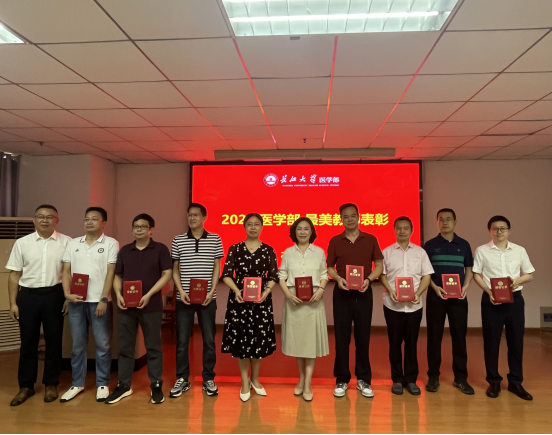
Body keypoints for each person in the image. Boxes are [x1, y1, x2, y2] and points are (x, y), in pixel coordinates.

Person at [6, 205, 72, 407]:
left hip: (55, 295)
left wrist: (68, 297)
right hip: (28, 296)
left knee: (54, 341)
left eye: (49, 217)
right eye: (40, 217)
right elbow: (14, 274)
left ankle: (51, 383)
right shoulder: (22, 243)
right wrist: (13, 303)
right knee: (28, 342)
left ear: (56, 220)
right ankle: (26, 386)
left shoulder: (67, 242)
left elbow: (71, 273)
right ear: (34, 220)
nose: (44, 220)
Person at [105, 214, 172, 405]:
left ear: (151, 230)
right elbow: (118, 275)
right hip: (126, 307)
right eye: (136, 226)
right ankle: (124, 386)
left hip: (151, 307)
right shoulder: (125, 250)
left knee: (153, 347)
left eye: (143, 226)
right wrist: (118, 295)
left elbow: (167, 274)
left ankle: (156, 385)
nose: (139, 229)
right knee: (126, 348)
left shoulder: (160, 249)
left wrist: (149, 294)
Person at [473, 216, 535, 401]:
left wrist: (517, 280)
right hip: (491, 300)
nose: (499, 232)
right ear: (490, 231)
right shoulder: (482, 250)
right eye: (495, 228)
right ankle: (493, 382)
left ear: (509, 230)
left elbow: (529, 274)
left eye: (503, 228)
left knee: (516, 342)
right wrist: (488, 291)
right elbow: (476, 274)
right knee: (491, 342)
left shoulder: (519, 250)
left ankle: (515, 382)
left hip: (514, 300)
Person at [61, 207, 119, 403]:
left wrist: (104, 298)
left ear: (103, 223)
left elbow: (111, 272)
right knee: (77, 346)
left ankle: (102, 383)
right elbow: (66, 271)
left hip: (98, 302)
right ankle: (77, 383)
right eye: (86, 219)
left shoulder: (111, 243)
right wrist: (67, 294)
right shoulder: (73, 243)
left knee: (103, 345)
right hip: (76, 302)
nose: (89, 222)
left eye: (94, 219)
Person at [327, 203, 384, 399]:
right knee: (341, 338)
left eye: (353, 216)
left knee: (363, 337)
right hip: (342, 293)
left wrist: (369, 279)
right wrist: (337, 279)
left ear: (359, 217)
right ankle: (342, 379)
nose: (350, 219)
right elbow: (330, 267)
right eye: (346, 216)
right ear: (341, 219)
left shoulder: (370, 239)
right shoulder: (335, 240)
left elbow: (379, 265)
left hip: (363, 292)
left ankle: (364, 379)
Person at [221, 213, 279, 402]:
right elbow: (226, 274)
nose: (253, 227)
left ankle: (255, 379)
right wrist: (236, 290)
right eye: (249, 224)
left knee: (258, 340)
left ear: (262, 227)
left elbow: (273, 275)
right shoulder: (235, 248)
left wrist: (266, 292)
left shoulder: (268, 250)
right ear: (244, 227)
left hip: (261, 302)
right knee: (241, 341)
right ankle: (244, 382)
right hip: (239, 301)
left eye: (256, 224)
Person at [170, 204, 224, 399]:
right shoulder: (178, 240)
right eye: (189, 215)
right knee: (182, 341)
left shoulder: (215, 239)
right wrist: (181, 291)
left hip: (208, 298)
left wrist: (212, 290)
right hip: (183, 298)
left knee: (209, 339)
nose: (192, 218)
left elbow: (217, 267)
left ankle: (208, 378)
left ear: (204, 217)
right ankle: (182, 378)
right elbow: (175, 269)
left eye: (196, 215)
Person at [380, 217, 434, 396]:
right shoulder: (386, 252)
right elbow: (382, 275)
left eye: (406, 228)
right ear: (394, 230)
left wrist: (418, 294)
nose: (402, 231)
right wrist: (390, 291)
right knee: (394, 343)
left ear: (412, 231)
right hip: (392, 305)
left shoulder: (420, 252)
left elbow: (427, 275)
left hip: (414, 307)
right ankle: (397, 379)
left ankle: (411, 380)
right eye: (399, 228)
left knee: (412, 343)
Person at [424, 209, 475, 395]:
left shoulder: (464, 245)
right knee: (434, 337)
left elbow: (469, 268)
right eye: (441, 219)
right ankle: (433, 376)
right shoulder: (429, 245)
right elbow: (425, 273)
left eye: (448, 219)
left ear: (455, 222)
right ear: (437, 222)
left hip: (458, 299)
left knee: (459, 338)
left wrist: (466, 286)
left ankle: (460, 377)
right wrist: (435, 287)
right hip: (435, 298)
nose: (445, 222)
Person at [279, 217, 330, 402]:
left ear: (311, 232)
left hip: (314, 299)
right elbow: (281, 276)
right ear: (294, 232)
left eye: (306, 229)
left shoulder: (319, 252)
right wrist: (288, 295)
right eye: (299, 229)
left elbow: (324, 274)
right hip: (294, 301)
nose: (302, 232)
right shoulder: (288, 253)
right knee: (298, 343)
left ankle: (308, 382)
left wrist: (321, 290)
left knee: (310, 343)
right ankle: (301, 378)